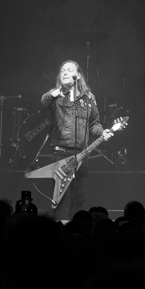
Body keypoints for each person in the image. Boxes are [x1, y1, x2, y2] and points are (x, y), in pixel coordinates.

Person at [40, 60, 102, 219]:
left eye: (69, 70)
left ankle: (76, 229)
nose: (65, 72)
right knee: (58, 200)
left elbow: (94, 123)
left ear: (78, 75)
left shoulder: (89, 98)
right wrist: (53, 94)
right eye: (63, 71)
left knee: (79, 199)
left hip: (82, 155)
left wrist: (101, 132)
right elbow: (44, 101)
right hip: (61, 153)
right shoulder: (56, 95)